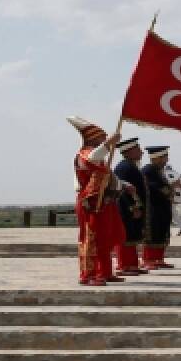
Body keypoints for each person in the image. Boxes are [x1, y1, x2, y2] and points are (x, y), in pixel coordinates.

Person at [66, 116, 125, 286]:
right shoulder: (84, 154)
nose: (103, 141)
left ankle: (105, 272)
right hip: (89, 203)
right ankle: (88, 274)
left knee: (105, 239)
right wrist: (108, 144)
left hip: (104, 203)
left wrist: (124, 186)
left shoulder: (101, 159)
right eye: (101, 138)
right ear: (92, 138)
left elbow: (109, 177)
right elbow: (91, 158)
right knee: (90, 240)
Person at [113, 138, 148, 276]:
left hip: (133, 208)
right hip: (126, 209)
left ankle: (132, 264)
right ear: (128, 152)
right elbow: (122, 191)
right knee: (125, 237)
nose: (141, 152)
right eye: (138, 149)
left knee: (132, 236)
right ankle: (124, 265)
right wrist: (134, 208)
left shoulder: (131, 166)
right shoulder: (124, 167)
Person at [141, 146, 175, 270]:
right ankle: (148, 259)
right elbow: (150, 187)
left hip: (162, 208)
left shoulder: (158, 171)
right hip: (153, 208)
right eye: (164, 158)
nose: (166, 160)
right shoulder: (148, 170)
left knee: (161, 233)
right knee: (152, 234)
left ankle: (158, 259)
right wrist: (167, 190)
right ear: (157, 158)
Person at [166, 164, 181, 236]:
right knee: (173, 215)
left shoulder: (165, 175)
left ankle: (166, 231)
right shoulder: (175, 176)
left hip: (171, 198)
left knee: (167, 214)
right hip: (177, 197)